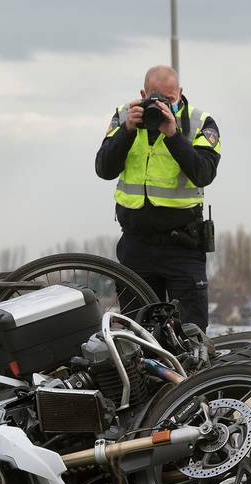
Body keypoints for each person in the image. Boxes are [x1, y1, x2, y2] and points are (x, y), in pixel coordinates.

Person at [94, 65, 222, 330]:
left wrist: (173, 135)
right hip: (136, 245)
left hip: (182, 246)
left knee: (190, 332)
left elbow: (203, 174)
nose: (163, 105)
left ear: (180, 93)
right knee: (137, 333)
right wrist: (128, 130)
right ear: (143, 94)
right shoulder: (123, 116)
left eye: (170, 98)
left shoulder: (200, 122)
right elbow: (104, 169)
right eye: (156, 98)